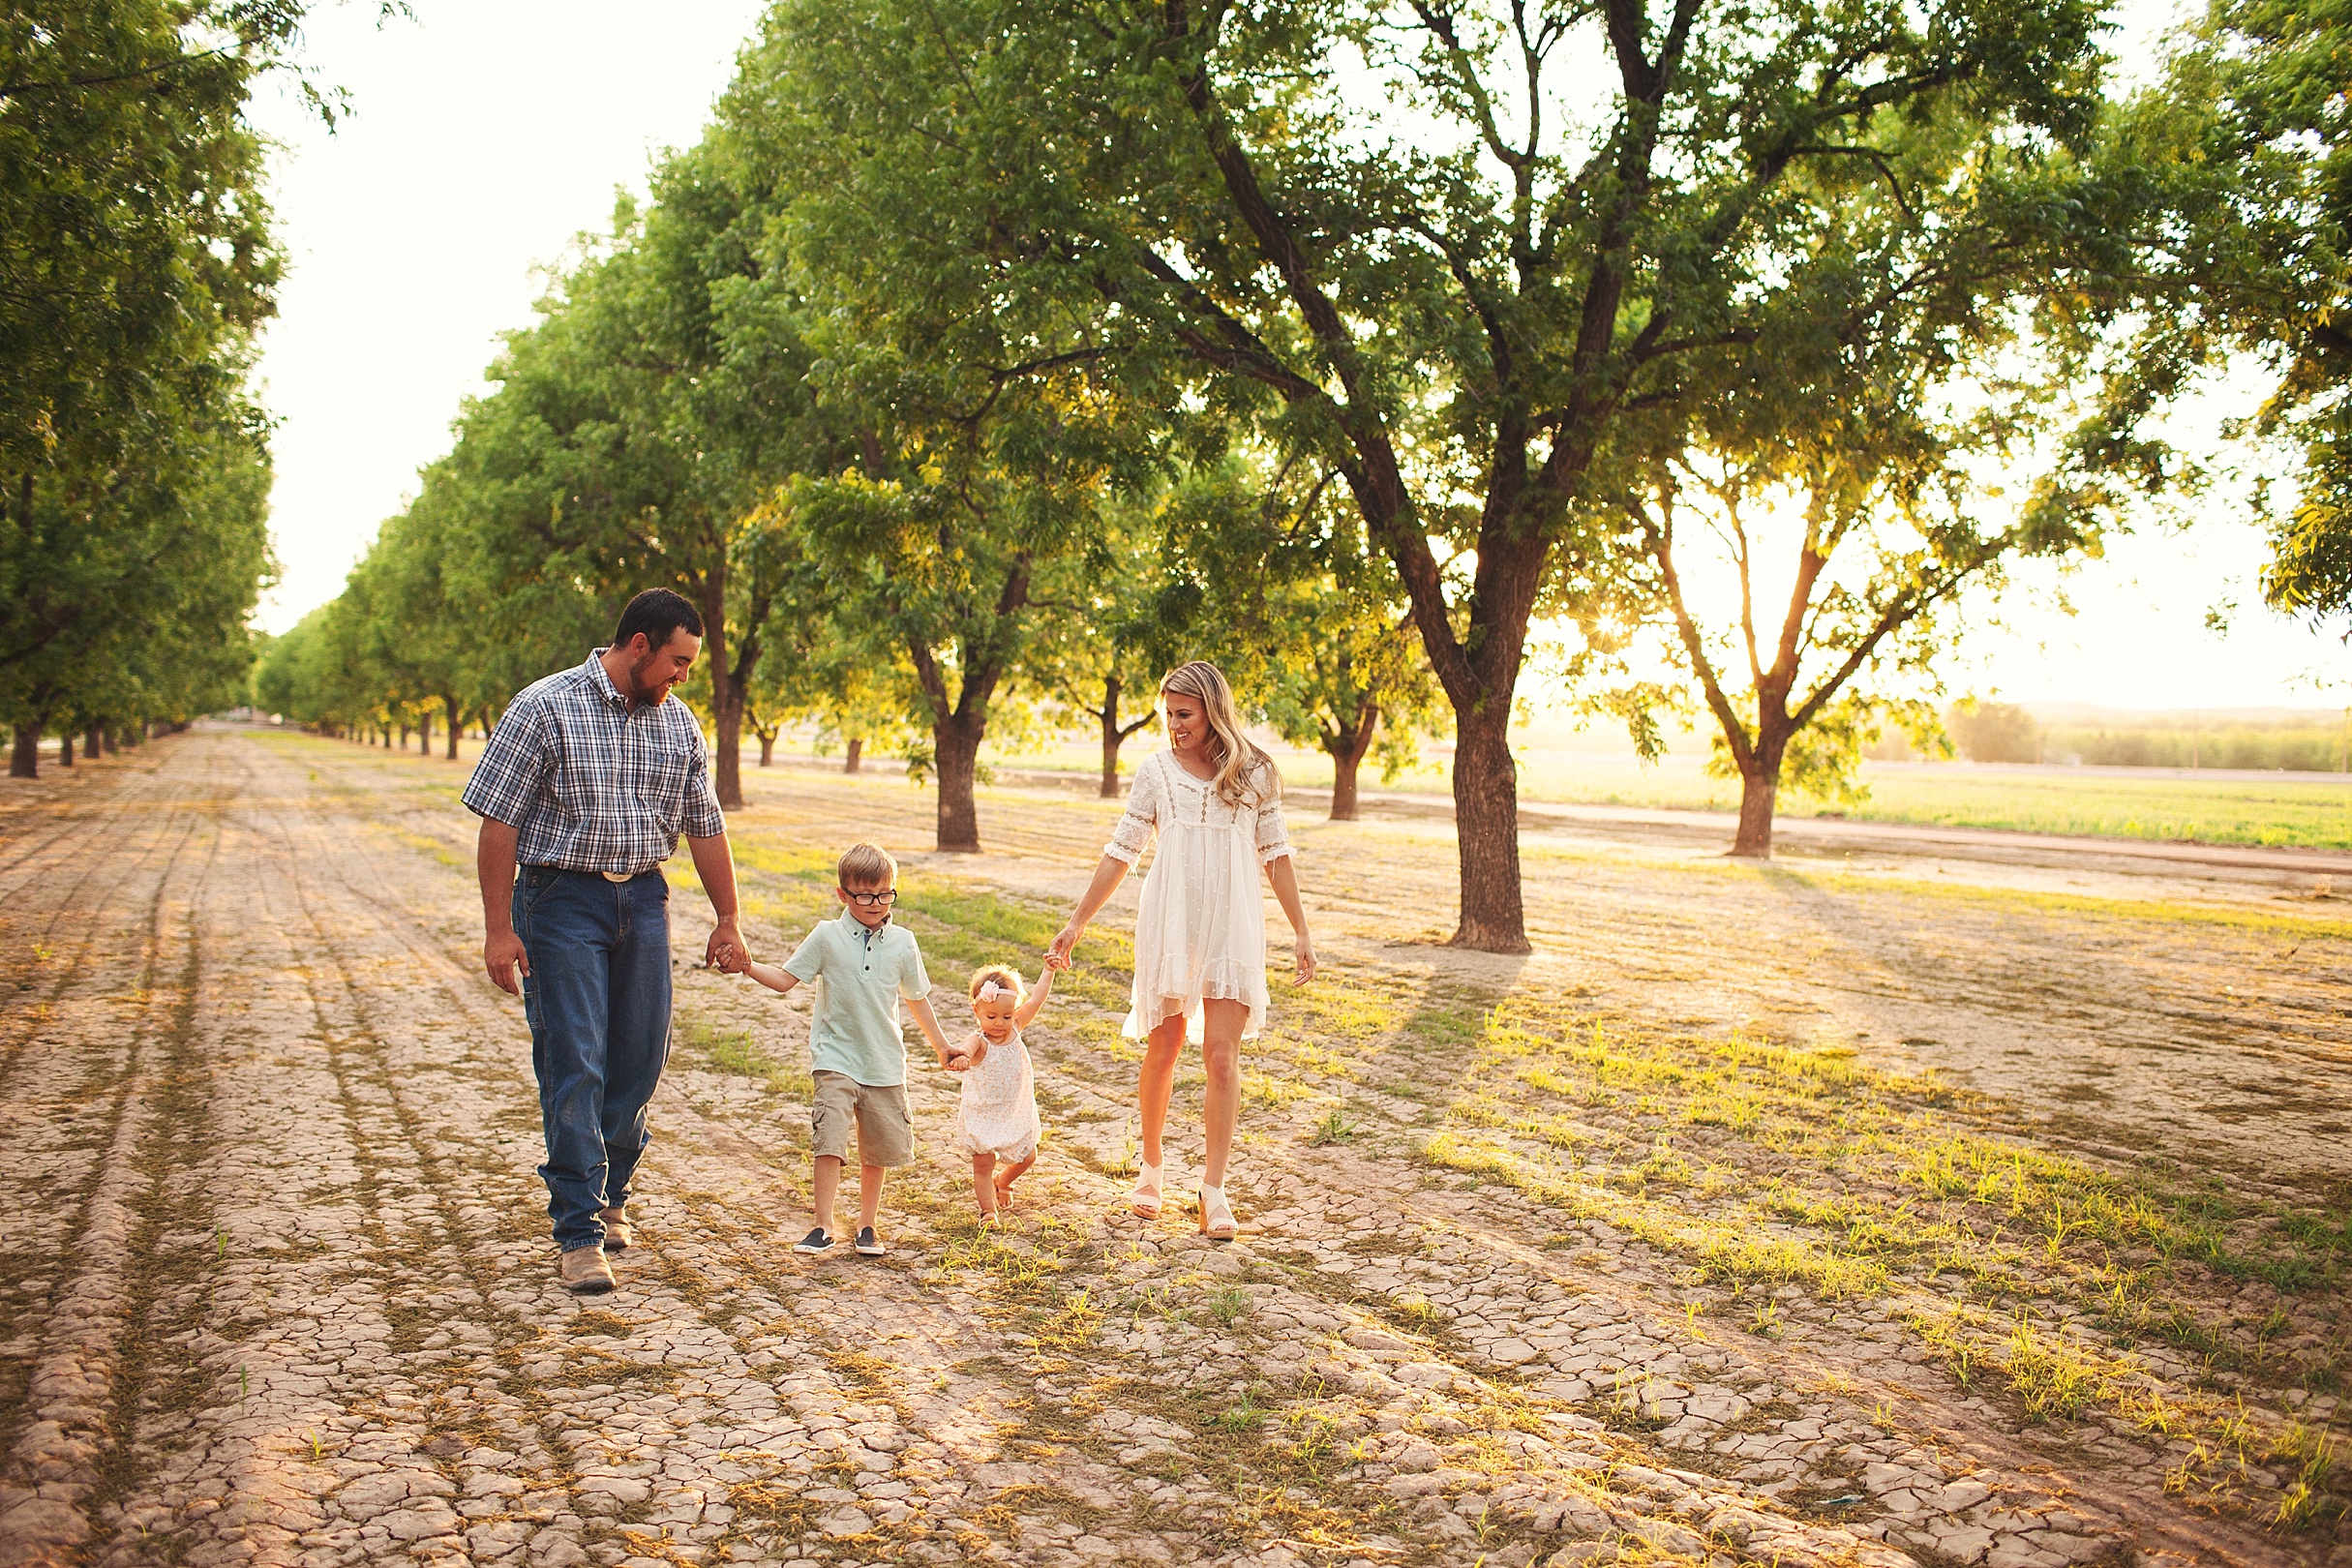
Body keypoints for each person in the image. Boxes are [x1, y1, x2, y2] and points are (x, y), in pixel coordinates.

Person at [463, 588, 747, 1296]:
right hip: (561, 901)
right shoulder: (543, 707)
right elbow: (498, 824)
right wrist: (500, 929)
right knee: (576, 1060)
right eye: (679, 660)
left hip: (643, 898)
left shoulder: (678, 724)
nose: (685, 675)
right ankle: (579, 1232)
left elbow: (705, 827)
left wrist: (728, 918)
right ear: (641, 645)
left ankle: (612, 1192)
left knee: (638, 1060)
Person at [1045, 660, 1314, 1240]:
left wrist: (1301, 930)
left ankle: (1213, 1191)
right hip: (1171, 921)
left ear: (1214, 711)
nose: (1174, 725)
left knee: (1222, 1057)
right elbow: (1122, 850)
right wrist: (1076, 924)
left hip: (1232, 923)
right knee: (1164, 1046)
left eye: (1184, 714)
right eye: (1168, 714)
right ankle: (1151, 1169)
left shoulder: (1255, 773)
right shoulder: (1156, 772)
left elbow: (1277, 854)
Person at [721, 843, 967, 1258]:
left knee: (877, 1150)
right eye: (865, 895)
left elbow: (917, 1000)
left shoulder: (904, 943)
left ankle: (867, 1226)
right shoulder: (826, 936)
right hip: (835, 1058)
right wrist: (747, 966)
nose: (876, 904)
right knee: (829, 1140)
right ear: (843, 895)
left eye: (885, 894)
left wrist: (942, 1047)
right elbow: (784, 980)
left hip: (884, 1061)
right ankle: (822, 1226)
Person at [954, 964, 1052, 1222]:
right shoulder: (979, 1041)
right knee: (983, 1163)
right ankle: (988, 1211)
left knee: (1028, 1155)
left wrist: (1048, 970)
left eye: (1006, 1017)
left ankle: (1004, 1180)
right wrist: (962, 1057)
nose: (999, 1023)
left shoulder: (1016, 1028)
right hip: (983, 1113)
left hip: (1013, 1110)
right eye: (991, 1017)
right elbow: (965, 1048)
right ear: (977, 1012)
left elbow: (1037, 998)